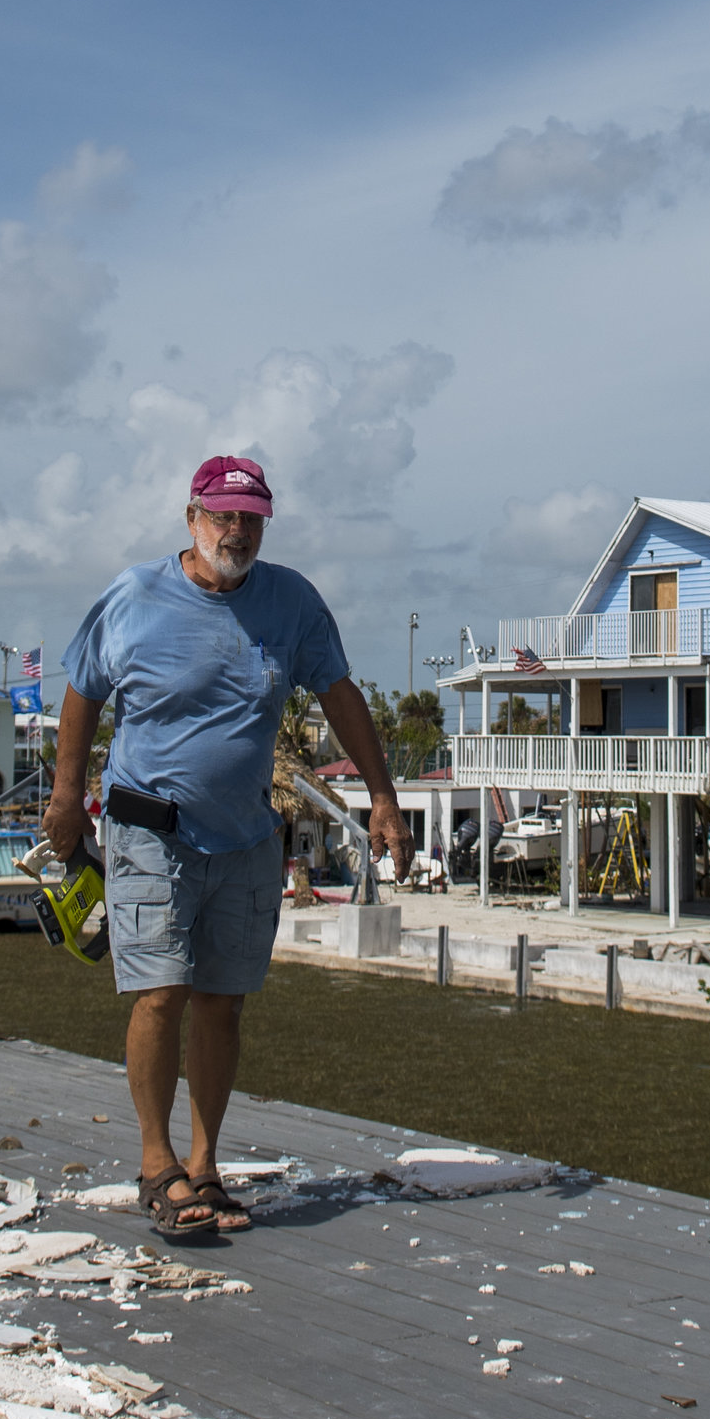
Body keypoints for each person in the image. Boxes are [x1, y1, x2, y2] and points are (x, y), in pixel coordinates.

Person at [43, 455, 414, 1238]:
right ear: (192, 518)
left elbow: (339, 693)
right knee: (160, 992)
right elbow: (81, 690)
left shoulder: (293, 603)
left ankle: (205, 1167)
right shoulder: (135, 596)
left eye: (250, 518)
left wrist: (382, 797)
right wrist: (66, 798)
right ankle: (156, 1166)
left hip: (246, 838)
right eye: (222, 516)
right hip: (149, 831)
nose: (236, 531)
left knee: (222, 1002)